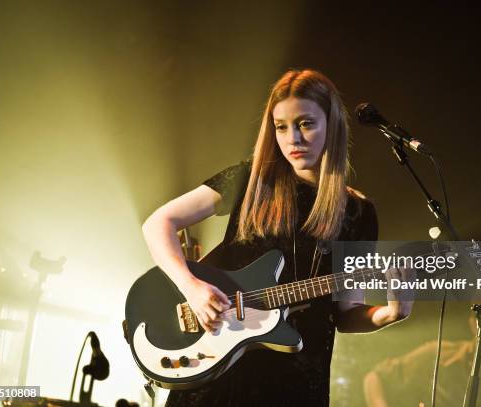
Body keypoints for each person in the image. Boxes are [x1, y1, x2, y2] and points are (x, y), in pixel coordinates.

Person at [141, 69, 415, 406]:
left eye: (305, 124)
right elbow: (159, 223)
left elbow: (346, 313)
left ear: (332, 124)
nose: (292, 139)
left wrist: (390, 314)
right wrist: (192, 288)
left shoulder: (358, 213)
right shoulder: (251, 178)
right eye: (281, 127)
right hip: (221, 366)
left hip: (296, 384)